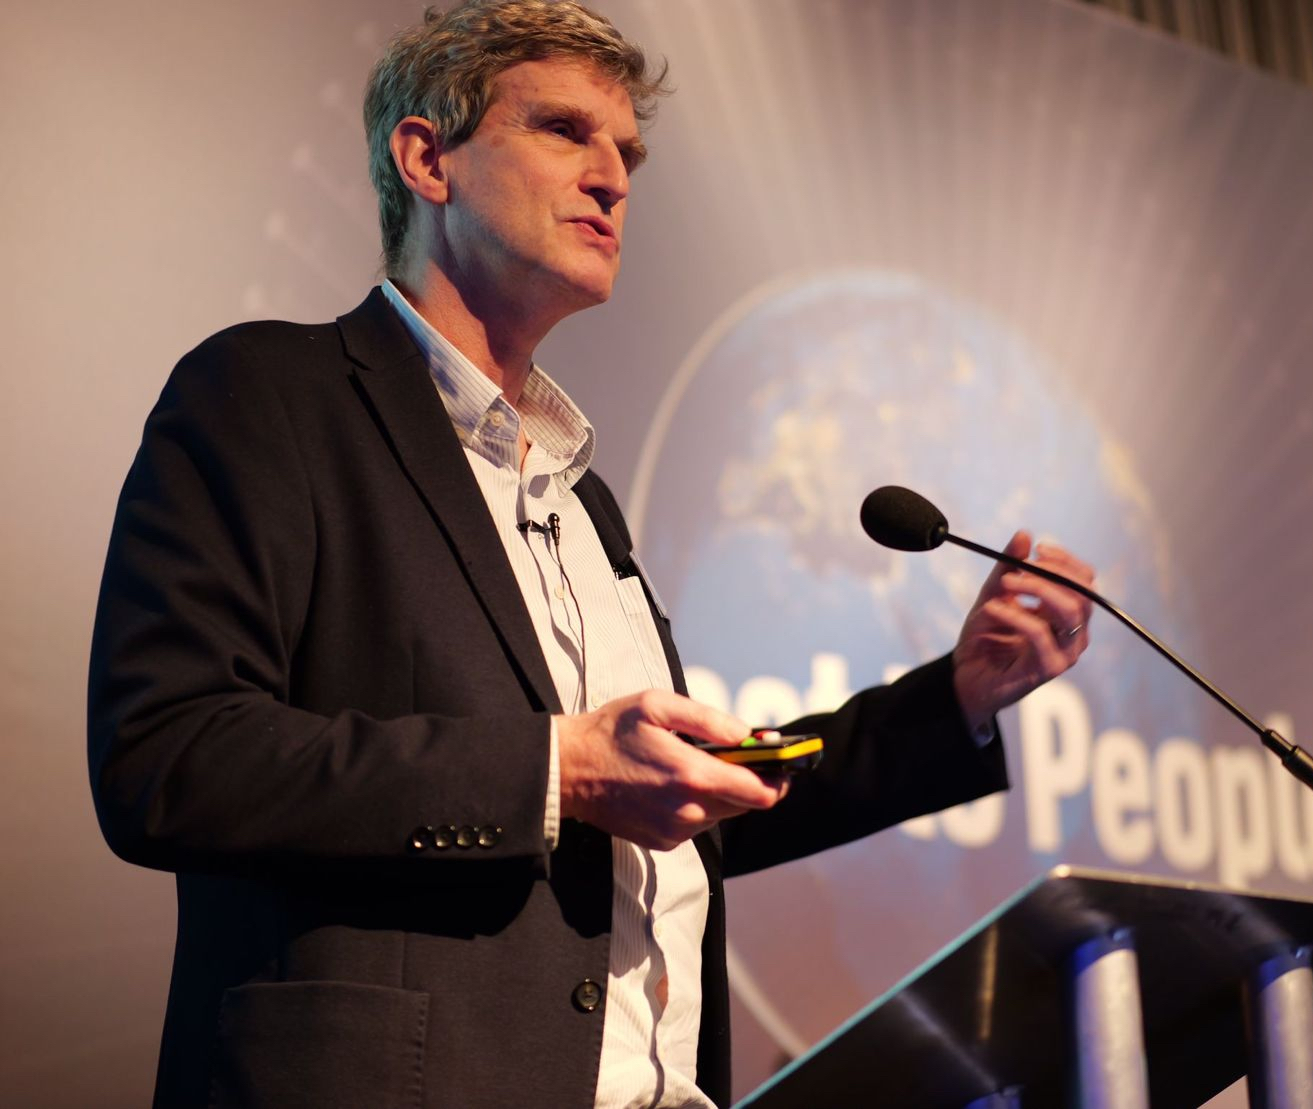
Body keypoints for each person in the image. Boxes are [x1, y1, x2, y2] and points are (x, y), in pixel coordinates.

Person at [87, 3, 1096, 1107]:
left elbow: (690, 798)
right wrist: (554, 770)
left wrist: (959, 693)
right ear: (427, 159)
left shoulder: (584, 499)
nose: (613, 177)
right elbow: (169, 757)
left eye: (628, 152)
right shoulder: (274, 397)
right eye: (566, 132)